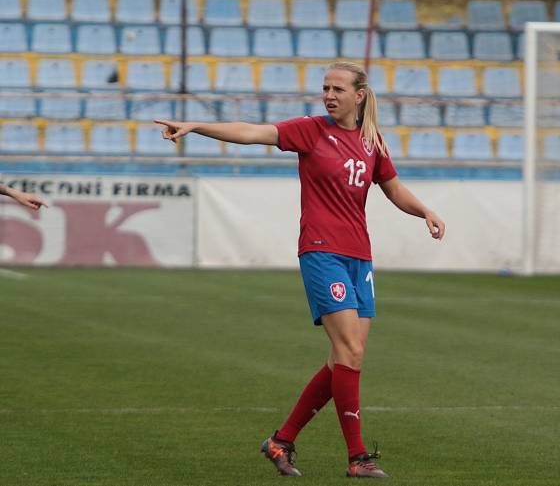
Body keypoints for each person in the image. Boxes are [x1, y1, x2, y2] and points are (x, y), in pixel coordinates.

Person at [155, 61, 445, 479]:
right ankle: (357, 456)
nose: (329, 95)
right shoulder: (311, 130)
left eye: (337, 89)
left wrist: (425, 212)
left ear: (359, 95)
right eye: (325, 87)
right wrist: (197, 126)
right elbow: (255, 132)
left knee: (344, 359)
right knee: (350, 352)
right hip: (321, 251)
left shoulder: (371, 141)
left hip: (359, 256)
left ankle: (281, 441)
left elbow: (392, 188)